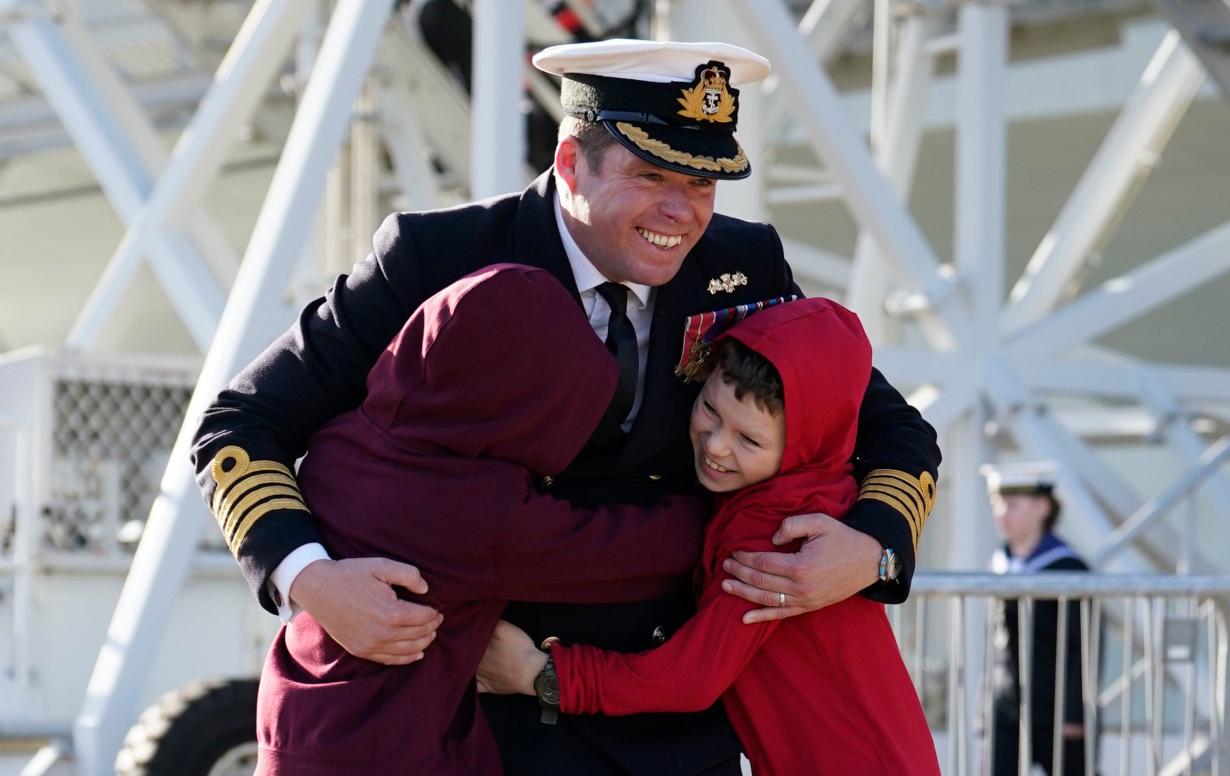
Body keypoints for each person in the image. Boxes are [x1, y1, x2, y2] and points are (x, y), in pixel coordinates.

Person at [192, 39, 941, 773]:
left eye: (704, 186)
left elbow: (891, 431)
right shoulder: (435, 259)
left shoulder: (740, 266)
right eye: (651, 175)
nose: (680, 212)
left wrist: (871, 549)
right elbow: (240, 425)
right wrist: (310, 580)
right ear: (570, 160)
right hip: (483, 715)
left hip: (672, 721)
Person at [256, 264, 715, 774]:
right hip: (389, 748)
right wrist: (731, 506)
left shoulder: (345, 440)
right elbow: (634, 549)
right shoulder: (476, 512)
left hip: (298, 720)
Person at [477, 297, 940, 775]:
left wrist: (542, 674)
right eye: (709, 409)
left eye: (749, 440)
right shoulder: (788, 494)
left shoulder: (778, 531)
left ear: (805, 445)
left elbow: (692, 678)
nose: (716, 445)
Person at [985, 464, 1089, 776]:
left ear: (1043, 508)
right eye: (998, 504)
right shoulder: (1000, 563)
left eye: (1013, 504)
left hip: (1055, 706)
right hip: (1008, 702)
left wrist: (1075, 712)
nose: (1003, 513)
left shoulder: (1069, 569)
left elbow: (1081, 644)